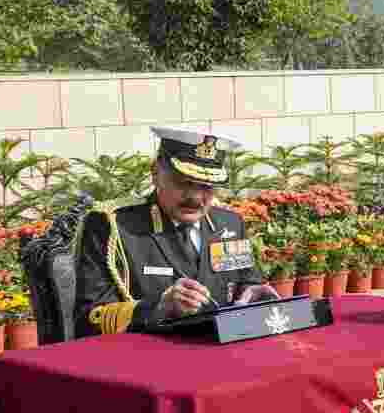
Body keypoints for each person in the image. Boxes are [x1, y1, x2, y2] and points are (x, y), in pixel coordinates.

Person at [75, 128, 274, 337]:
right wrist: (159, 308)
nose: (195, 197)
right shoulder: (113, 227)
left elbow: (246, 283)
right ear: (156, 174)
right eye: (184, 183)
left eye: (207, 187)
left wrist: (253, 295)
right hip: (149, 358)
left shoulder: (229, 224)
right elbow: (89, 318)